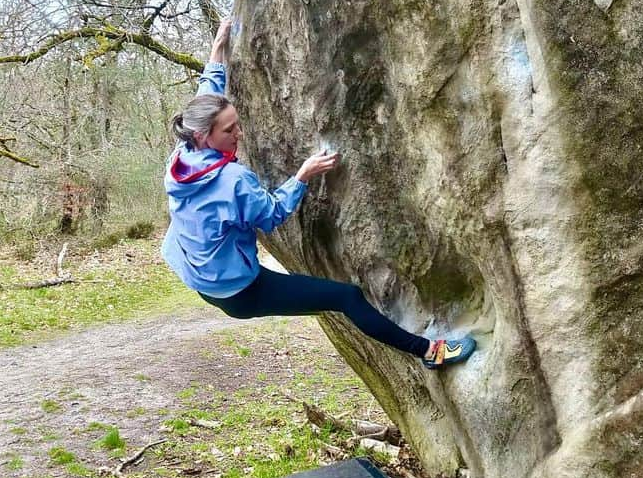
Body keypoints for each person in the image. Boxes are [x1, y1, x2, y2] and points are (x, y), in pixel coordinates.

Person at [161, 19, 475, 369]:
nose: (240, 134)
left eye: (238, 124)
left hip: (199, 276)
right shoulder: (233, 180)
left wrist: (219, 47)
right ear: (204, 136)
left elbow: (207, 90)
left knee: (332, 299)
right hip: (240, 292)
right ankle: (430, 352)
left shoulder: (181, 153)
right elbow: (273, 214)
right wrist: (303, 175)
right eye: (230, 130)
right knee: (347, 297)